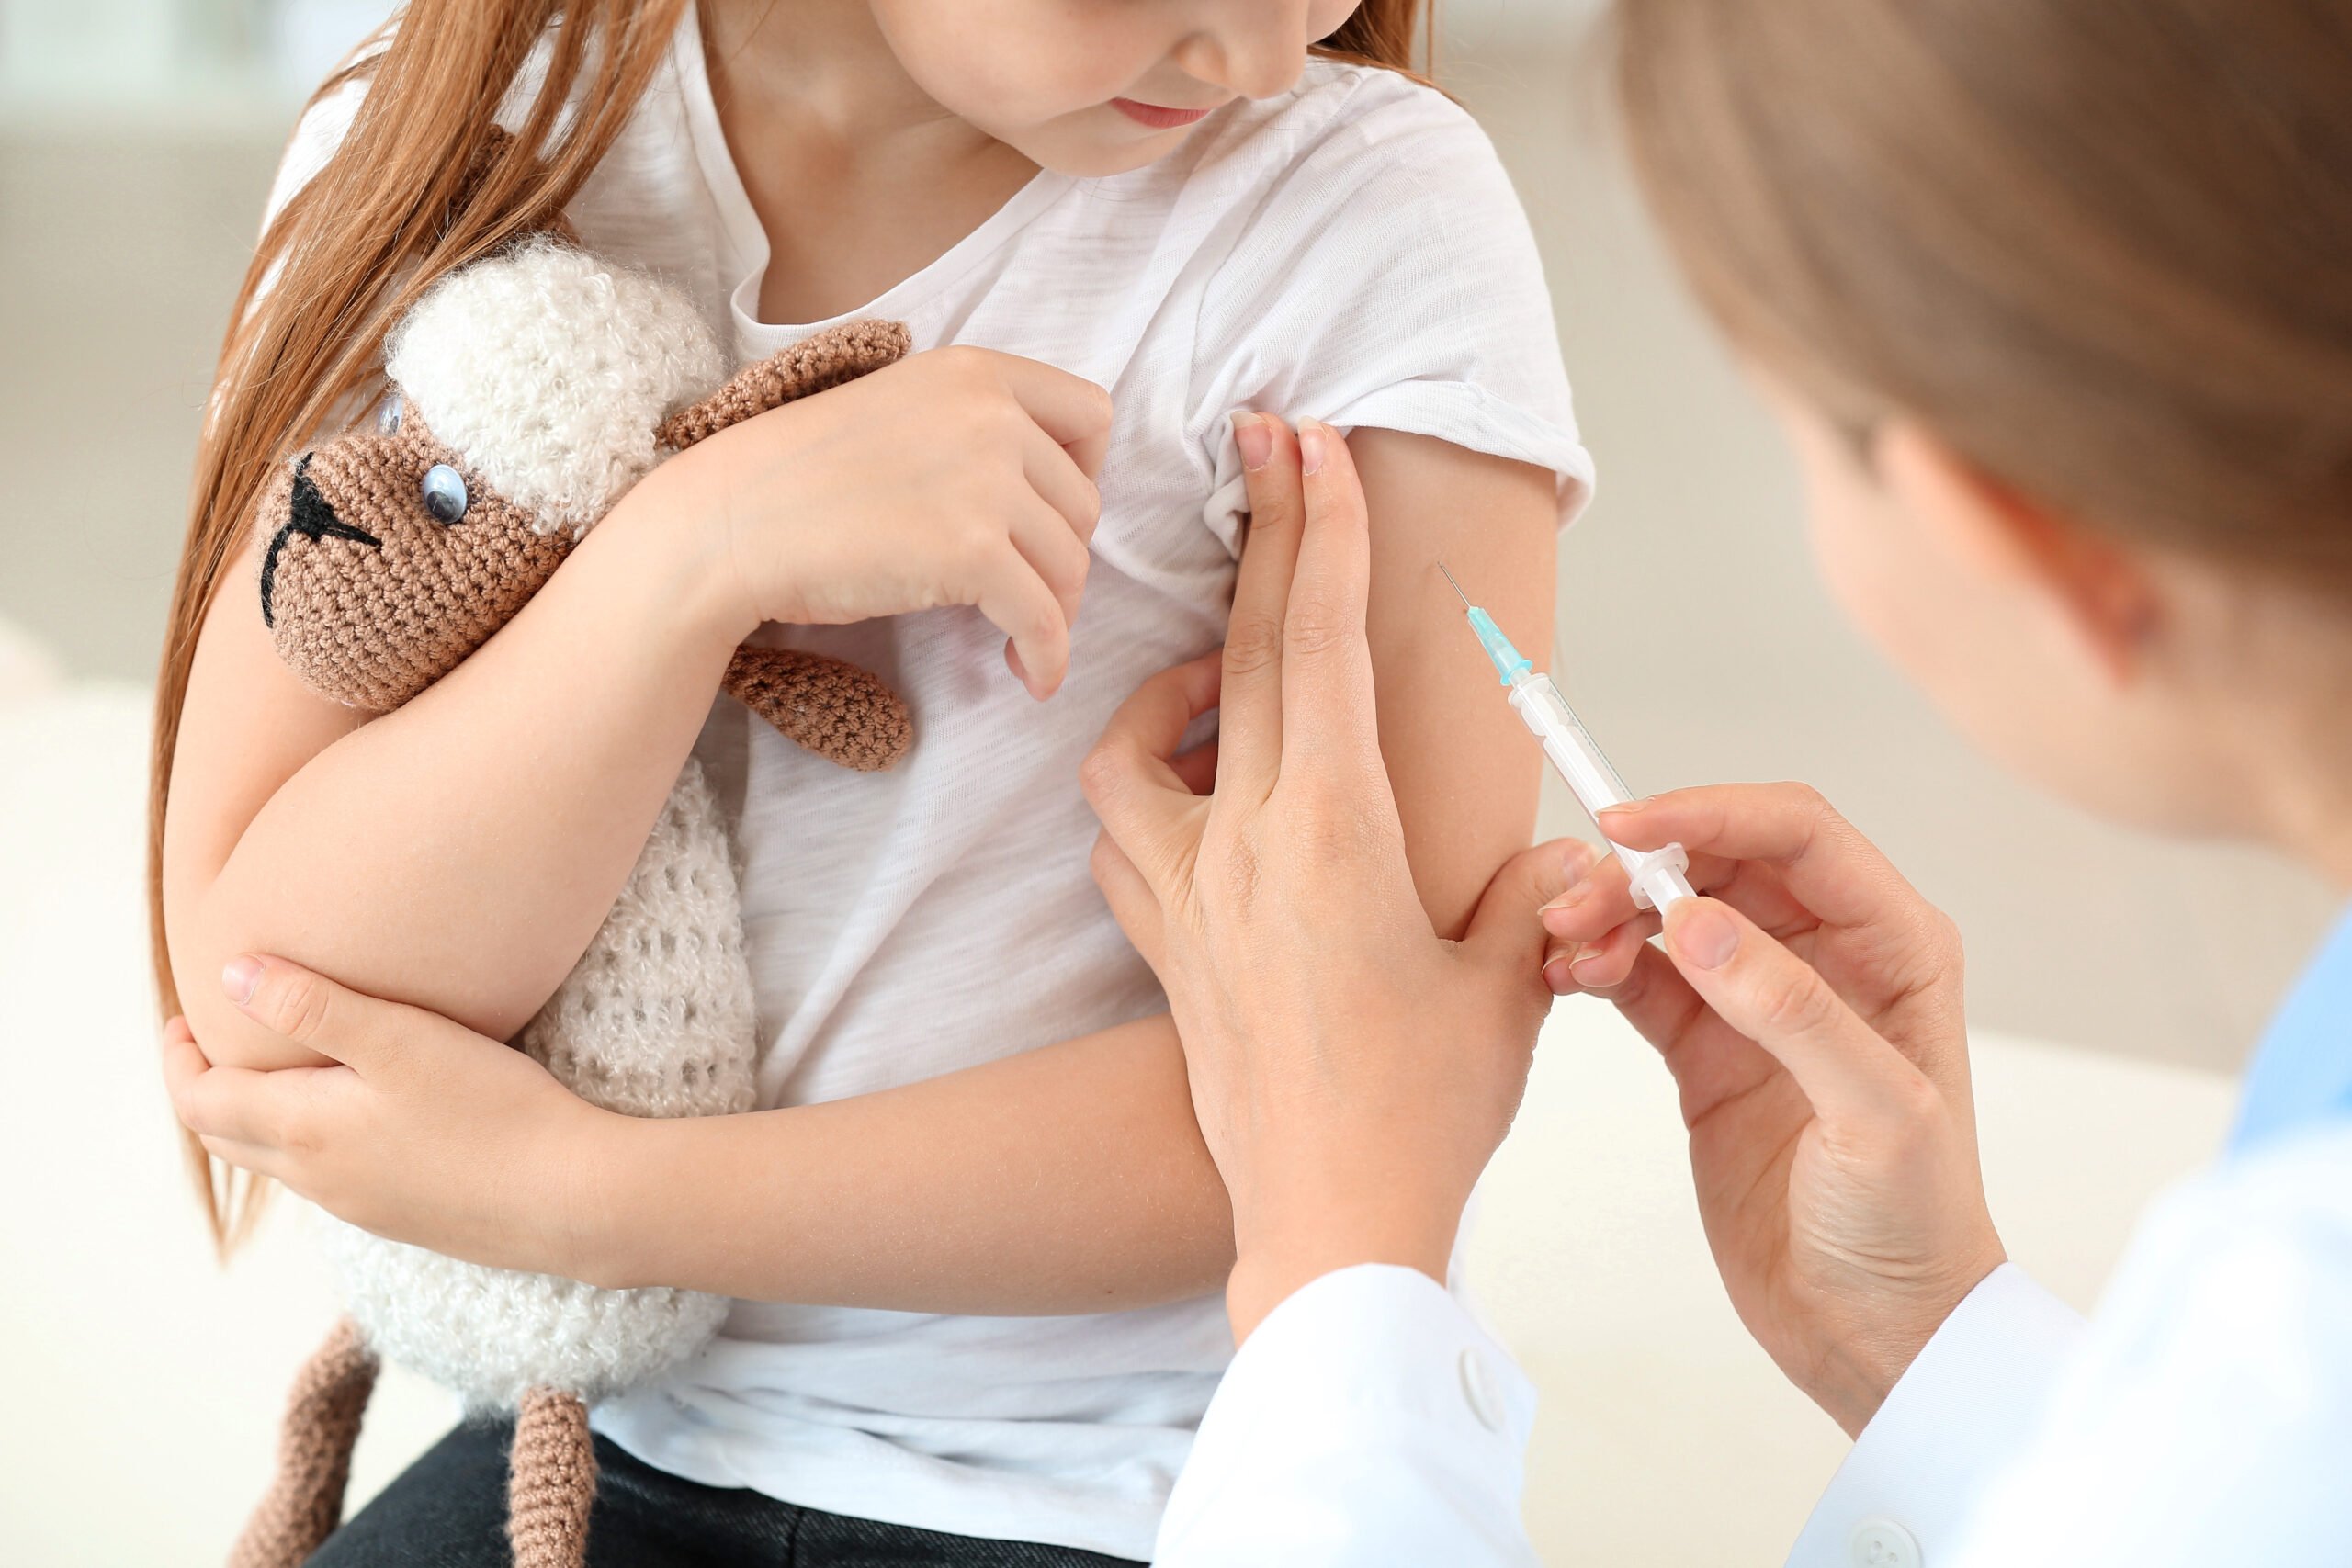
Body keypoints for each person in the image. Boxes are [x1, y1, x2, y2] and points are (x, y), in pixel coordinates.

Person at [153, 1, 1591, 1560]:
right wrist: (691, 557)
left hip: (1145, 1479)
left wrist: (586, 1196)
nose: (1255, 53)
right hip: (591, 1437)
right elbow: (264, 1005)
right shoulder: (452, 153)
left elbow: (1370, 1089)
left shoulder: (1355, 216)